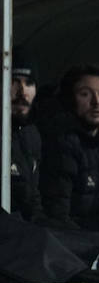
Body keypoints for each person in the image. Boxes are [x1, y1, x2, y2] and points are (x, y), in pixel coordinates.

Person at [38, 65, 99, 233]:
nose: (96, 102)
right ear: (70, 99)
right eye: (85, 94)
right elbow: (58, 216)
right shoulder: (63, 144)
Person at [7, 50, 43, 222]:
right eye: (13, 81)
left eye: (29, 83)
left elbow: (33, 199)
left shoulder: (31, 134)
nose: (22, 91)